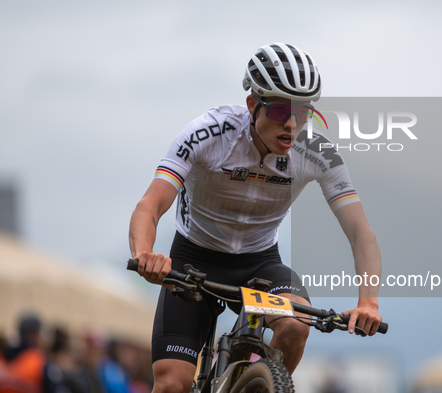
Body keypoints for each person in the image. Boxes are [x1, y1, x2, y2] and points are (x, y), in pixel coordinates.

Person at [129, 43, 382, 393]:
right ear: (252, 104)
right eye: (280, 110)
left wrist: (368, 301)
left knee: (295, 326)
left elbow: (360, 233)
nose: (292, 124)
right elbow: (150, 205)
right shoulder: (208, 133)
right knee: (173, 383)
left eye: (303, 112)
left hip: (259, 264)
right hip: (192, 258)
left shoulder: (316, 153)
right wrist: (146, 254)